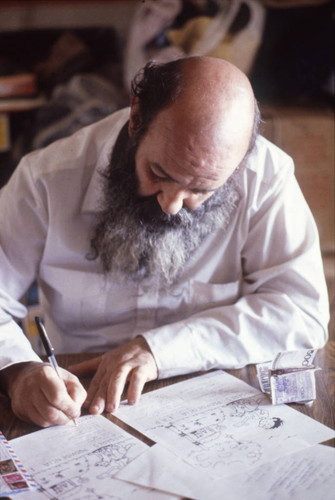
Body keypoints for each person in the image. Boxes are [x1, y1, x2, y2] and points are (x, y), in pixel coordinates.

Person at [0, 56, 329, 428]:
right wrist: (18, 371)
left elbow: (300, 311)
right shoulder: (44, 180)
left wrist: (160, 350)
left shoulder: (265, 177)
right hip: (77, 396)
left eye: (201, 189)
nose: (172, 205)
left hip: (210, 393)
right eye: (158, 173)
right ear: (136, 118)